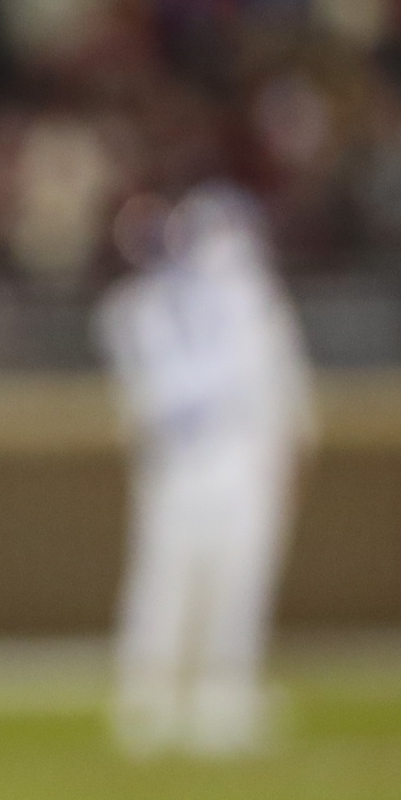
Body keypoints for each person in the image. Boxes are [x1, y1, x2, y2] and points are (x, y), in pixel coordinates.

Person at [96, 184, 314, 757]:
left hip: (205, 458)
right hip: (223, 455)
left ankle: (176, 697)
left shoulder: (132, 310)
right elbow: (280, 397)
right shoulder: (241, 300)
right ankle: (190, 697)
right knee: (191, 581)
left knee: (187, 580)